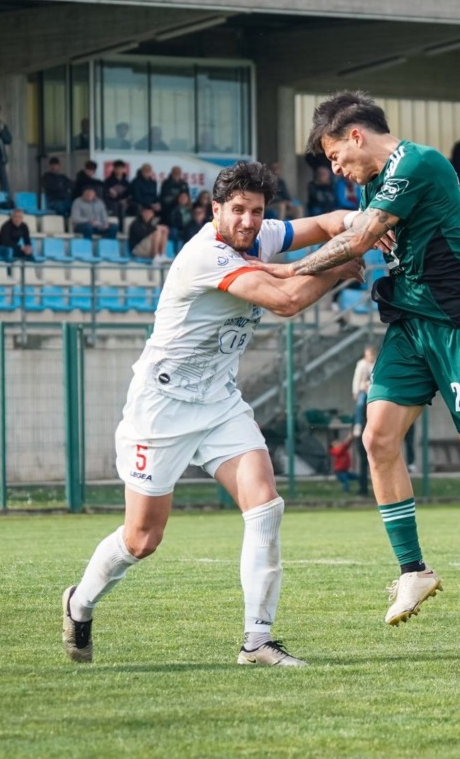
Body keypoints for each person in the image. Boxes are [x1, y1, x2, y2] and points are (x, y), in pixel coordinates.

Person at [257, 91, 460, 626]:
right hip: (410, 321)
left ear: (356, 135)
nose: (337, 168)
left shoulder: (418, 163)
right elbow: (364, 235)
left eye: (336, 155)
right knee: (376, 438)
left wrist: (289, 271)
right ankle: (414, 570)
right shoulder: (373, 187)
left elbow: (359, 238)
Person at [62, 162, 363, 666]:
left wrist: (374, 221)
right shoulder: (205, 254)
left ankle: (257, 641)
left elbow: (330, 221)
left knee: (265, 505)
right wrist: (339, 266)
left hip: (219, 401)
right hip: (161, 407)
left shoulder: (262, 234)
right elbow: (287, 301)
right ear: (216, 209)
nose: (248, 221)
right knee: (142, 538)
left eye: (257, 211)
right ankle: (80, 602)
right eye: (238, 210)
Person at [351, 346, 376, 496]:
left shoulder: (376, 364)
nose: (370, 357)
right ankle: (359, 425)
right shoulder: (361, 365)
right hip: (363, 390)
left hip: (372, 390)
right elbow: (357, 379)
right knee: (361, 403)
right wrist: (358, 390)